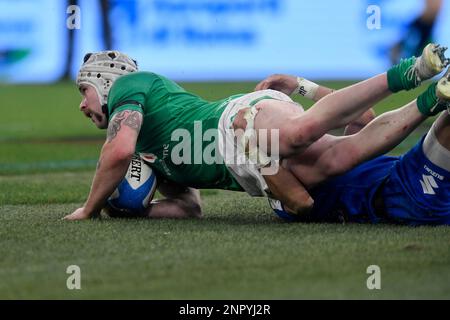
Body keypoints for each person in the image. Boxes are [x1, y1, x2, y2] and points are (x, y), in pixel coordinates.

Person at [63, 44, 450, 221]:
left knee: (299, 134)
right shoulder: (153, 146)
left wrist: (89, 209)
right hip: (247, 160)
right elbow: (189, 208)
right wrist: (130, 210)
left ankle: (410, 73)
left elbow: (116, 152)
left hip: (234, 122)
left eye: (84, 92)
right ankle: (431, 97)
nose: (82, 105)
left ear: (104, 79)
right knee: (339, 156)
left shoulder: (131, 87)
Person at [260, 71, 450, 225]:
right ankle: (433, 97)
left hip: (403, 178)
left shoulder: (308, 149)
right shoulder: (278, 179)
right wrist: (250, 146)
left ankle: (434, 97)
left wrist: (300, 87)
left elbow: (361, 115)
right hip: (408, 194)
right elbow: (301, 204)